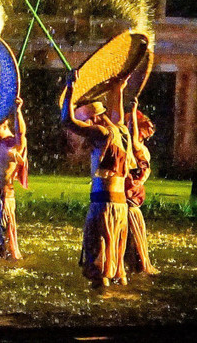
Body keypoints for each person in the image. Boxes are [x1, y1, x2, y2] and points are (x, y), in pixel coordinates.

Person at [61, 72, 134, 288]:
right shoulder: (121, 131)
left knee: (98, 262)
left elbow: (67, 120)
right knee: (116, 261)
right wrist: (118, 89)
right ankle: (119, 303)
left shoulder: (101, 133)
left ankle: (99, 307)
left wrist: (70, 88)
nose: (85, 127)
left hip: (103, 206)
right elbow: (118, 115)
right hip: (121, 208)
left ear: (93, 119)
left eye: (85, 121)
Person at [0, 97, 28, 260]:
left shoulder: (13, 145)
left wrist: (17, 110)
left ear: (2, 125)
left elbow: (21, 133)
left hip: (4, 198)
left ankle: (11, 263)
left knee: (6, 236)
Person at [124, 103, 159, 275]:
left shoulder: (139, 148)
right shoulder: (134, 147)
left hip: (134, 191)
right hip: (131, 191)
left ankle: (136, 262)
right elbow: (132, 133)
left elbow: (133, 133)